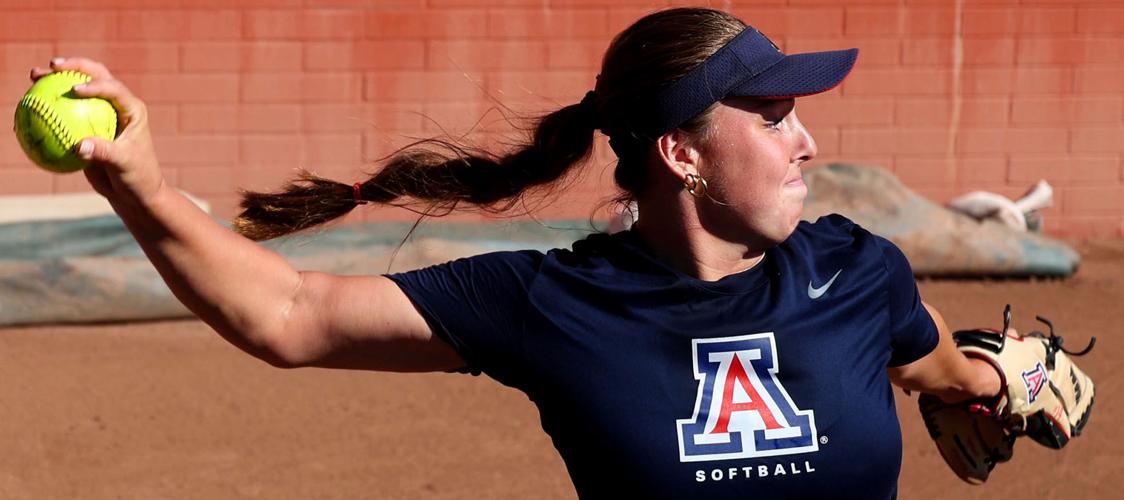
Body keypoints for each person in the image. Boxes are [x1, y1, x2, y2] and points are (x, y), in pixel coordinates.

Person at [37, 7, 1002, 499]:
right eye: (775, 116)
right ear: (683, 154)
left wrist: (1002, 382)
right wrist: (139, 185)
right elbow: (289, 315)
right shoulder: (555, 302)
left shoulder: (860, 271)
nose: (807, 143)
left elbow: (944, 372)